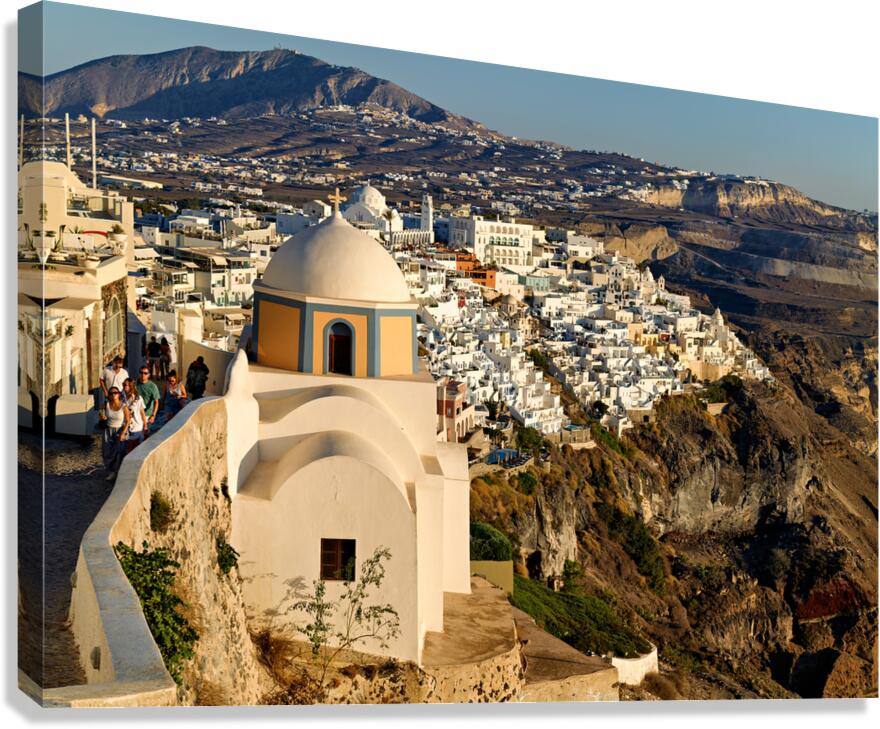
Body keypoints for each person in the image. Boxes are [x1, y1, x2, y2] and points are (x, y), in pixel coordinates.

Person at [99, 386, 130, 481]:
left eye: (115, 393)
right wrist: (101, 417)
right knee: (107, 452)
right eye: (111, 393)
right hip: (108, 430)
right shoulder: (105, 405)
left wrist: (123, 433)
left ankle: (116, 472)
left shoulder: (123, 406)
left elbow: (128, 421)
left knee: (118, 452)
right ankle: (111, 471)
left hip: (120, 430)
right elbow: (100, 415)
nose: (113, 395)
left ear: (119, 394)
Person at [135, 365, 161, 435]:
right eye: (141, 372)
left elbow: (156, 402)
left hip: (147, 414)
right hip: (137, 413)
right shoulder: (135, 384)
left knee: (146, 434)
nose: (143, 375)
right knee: (137, 435)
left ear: (149, 375)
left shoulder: (153, 386)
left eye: (145, 373)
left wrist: (153, 415)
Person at [122, 378, 147, 452]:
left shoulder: (138, 398)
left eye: (125, 385)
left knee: (134, 448)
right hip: (125, 426)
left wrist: (145, 424)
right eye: (123, 384)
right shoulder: (122, 397)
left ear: (130, 386)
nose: (123, 386)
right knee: (127, 448)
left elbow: (142, 412)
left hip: (136, 426)